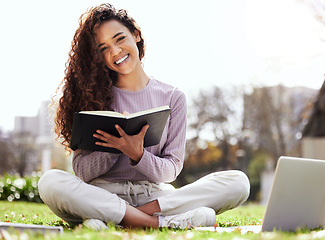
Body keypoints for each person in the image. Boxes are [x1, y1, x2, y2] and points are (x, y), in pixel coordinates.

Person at [38, 3, 250, 230]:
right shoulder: (93, 98)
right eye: (103, 48)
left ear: (136, 35)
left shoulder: (173, 97)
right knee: (50, 182)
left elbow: (171, 169)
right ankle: (157, 223)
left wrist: (138, 154)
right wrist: (115, 148)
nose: (115, 51)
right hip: (103, 193)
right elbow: (81, 171)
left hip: (156, 197)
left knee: (238, 183)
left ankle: (121, 220)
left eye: (119, 39)